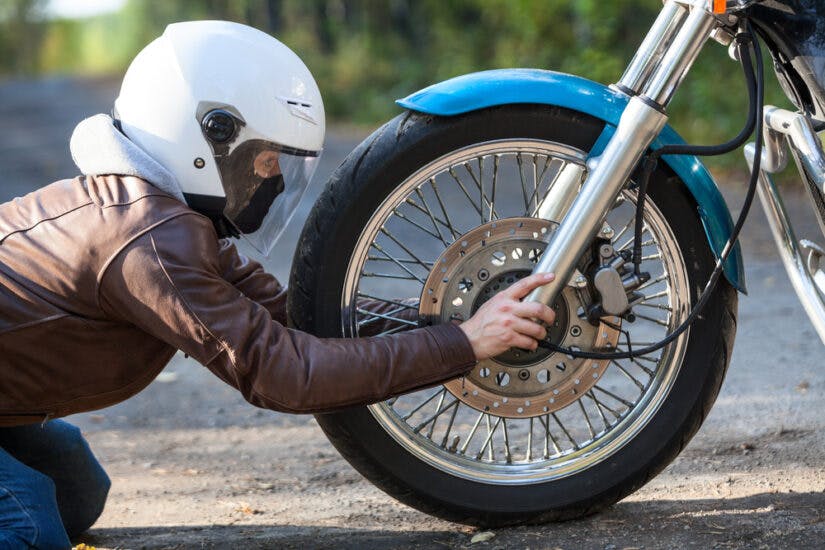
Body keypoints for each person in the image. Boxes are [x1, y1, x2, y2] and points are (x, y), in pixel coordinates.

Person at [0, 21, 556, 548]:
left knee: (76, 491)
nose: (271, 178)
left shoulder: (162, 217)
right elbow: (284, 373)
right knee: (30, 527)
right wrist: (464, 345)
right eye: (265, 161)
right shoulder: (147, 238)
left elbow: (292, 313)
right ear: (208, 137)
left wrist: (453, 318)